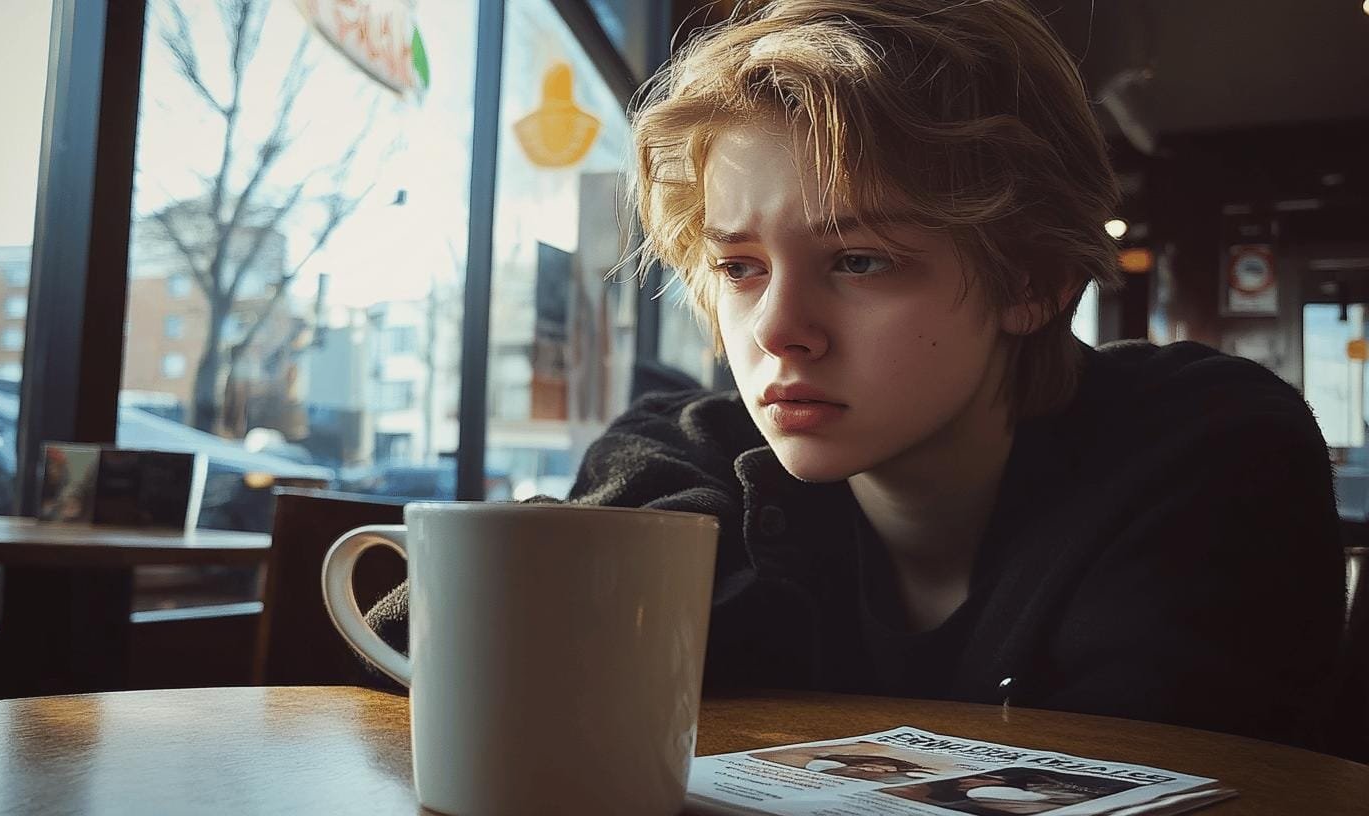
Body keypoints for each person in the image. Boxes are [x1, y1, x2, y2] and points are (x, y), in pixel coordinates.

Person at [367, 0, 1344, 746]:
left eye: (858, 262)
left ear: (1034, 280)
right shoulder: (683, 455)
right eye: (739, 268)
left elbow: (1177, 774)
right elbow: (419, 643)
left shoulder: (1202, 449)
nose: (778, 331)